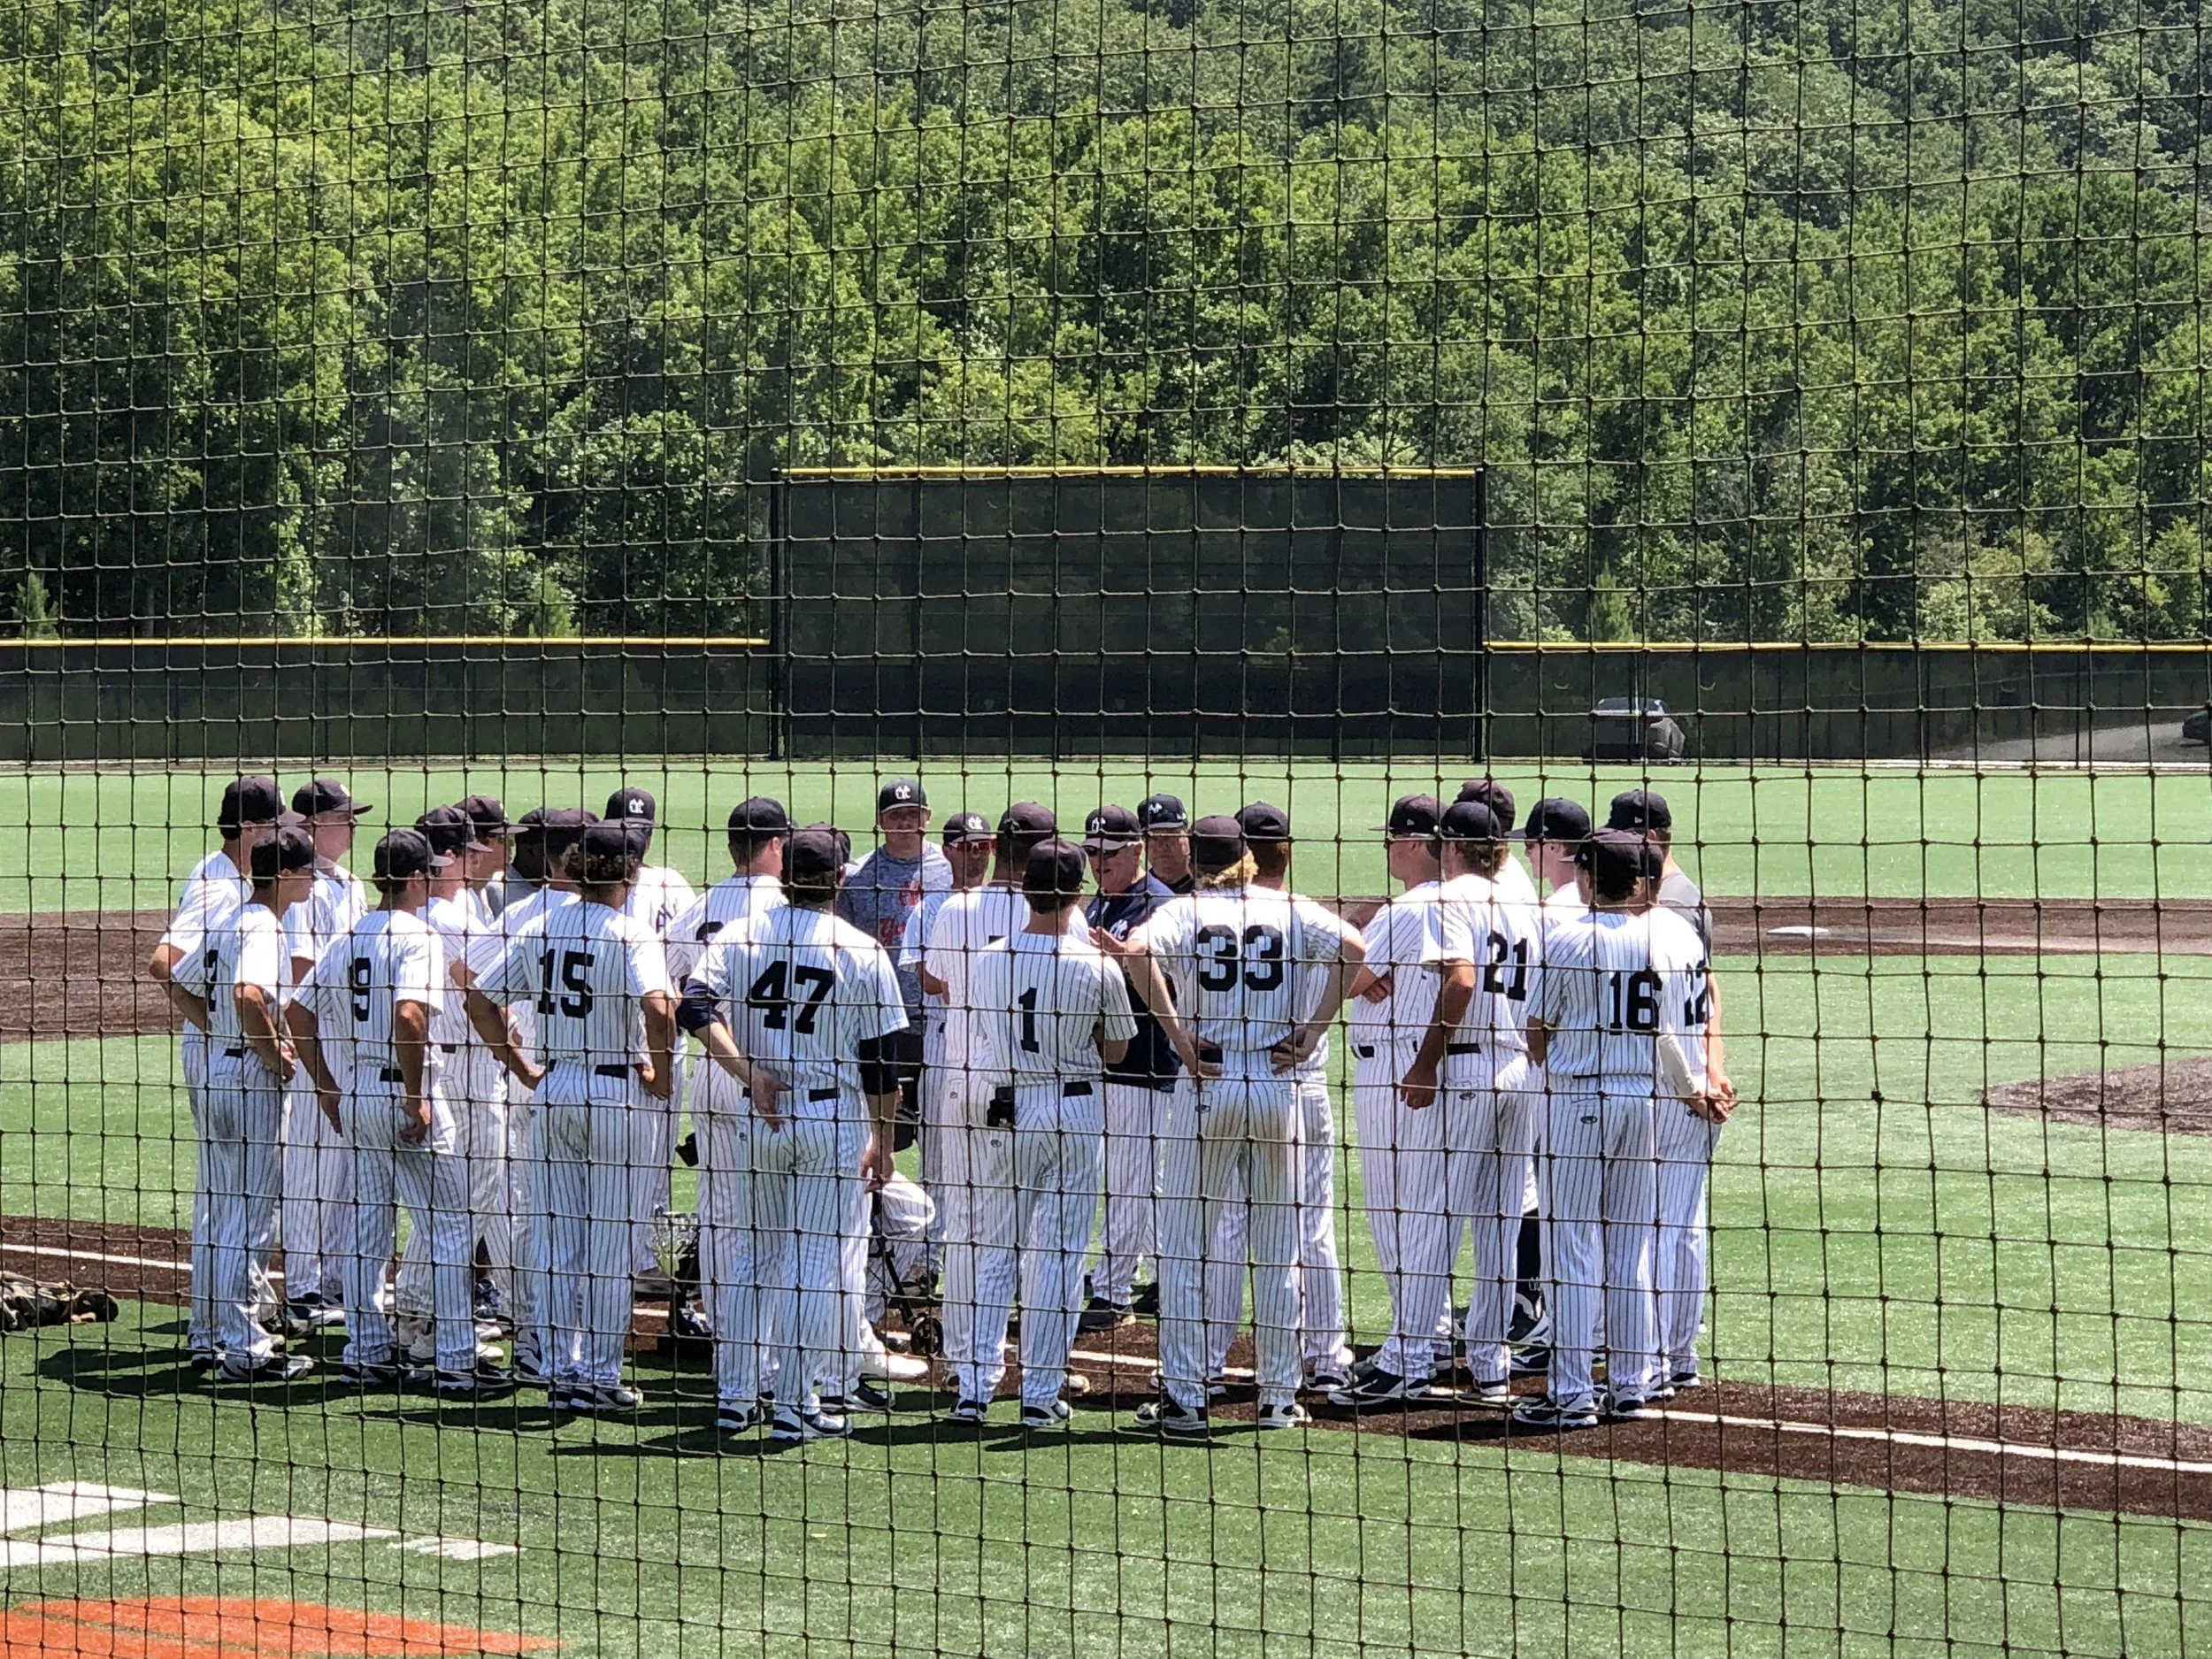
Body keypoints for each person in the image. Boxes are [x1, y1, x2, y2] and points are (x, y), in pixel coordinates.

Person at [1101, 817, 1338, 1434]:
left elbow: (1135, 952)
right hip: (1276, 1084)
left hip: (1207, 1081)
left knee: (1184, 1246)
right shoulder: (1286, 905)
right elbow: (1357, 950)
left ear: (1196, 860)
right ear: (1248, 860)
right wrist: (1313, 1030)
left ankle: (1184, 1397)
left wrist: (1178, 1036)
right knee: (1279, 1248)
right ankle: (1280, 1398)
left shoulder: (1186, 909)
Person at [679, 828, 907, 1444]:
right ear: (839, 879)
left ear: (786, 877)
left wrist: (748, 1074)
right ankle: (792, 1402)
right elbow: (883, 1061)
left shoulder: (743, 932)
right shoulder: (859, 949)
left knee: (755, 1256)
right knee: (813, 1263)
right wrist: (883, 1139)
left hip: (764, 1115)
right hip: (830, 1118)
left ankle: (734, 1397)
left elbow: (693, 1003)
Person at [291, 828, 507, 1394]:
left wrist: (328, 1089)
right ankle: (456, 1363)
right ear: (416, 878)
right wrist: (415, 1096)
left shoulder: (348, 937)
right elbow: (411, 1016)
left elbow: (298, 1013)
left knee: (366, 1232)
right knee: (449, 1225)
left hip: (358, 1091)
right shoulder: (419, 936)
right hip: (404, 1092)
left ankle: (366, 1353)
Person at [472, 820, 677, 1414]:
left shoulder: (541, 925)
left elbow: (481, 1000)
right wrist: (661, 1075)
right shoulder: (630, 932)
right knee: (612, 1245)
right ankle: (603, 1374)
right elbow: (660, 1008)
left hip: (555, 1087)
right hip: (615, 1091)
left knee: (558, 1239)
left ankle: (561, 1369)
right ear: (631, 873)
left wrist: (521, 1066)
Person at [1514, 828, 1713, 1429]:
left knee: (1570, 1247)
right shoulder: (1665, 938)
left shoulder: (1567, 939)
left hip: (1579, 1102)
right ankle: (1629, 1383)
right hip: (1644, 1105)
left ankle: (1571, 1393)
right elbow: (1668, 1034)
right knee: (1631, 1249)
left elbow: (1537, 1031)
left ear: (1589, 877)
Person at [947, 840, 1138, 1428]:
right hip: (1072, 1110)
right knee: (1057, 1255)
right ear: (1079, 894)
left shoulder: (990, 957)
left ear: (1025, 889)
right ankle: (1039, 1391)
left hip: (1005, 1109)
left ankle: (973, 1389)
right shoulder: (1096, 963)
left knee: (997, 1248)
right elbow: (1117, 1048)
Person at [1199, 803, 1364, 1394]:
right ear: (1287, 849)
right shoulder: (1304, 915)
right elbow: (1357, 956)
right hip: (1297, 1088)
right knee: (1311, 1225)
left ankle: (1208, 1363)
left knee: (1224, 1227)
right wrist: (1316, 1029)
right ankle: (1326, 1356)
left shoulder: (1203, 915)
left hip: (1219, 1083)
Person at [921, 803, 1085, 1393]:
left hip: (962, 1081)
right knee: (1048, 1235)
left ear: (998, 849)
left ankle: (966, 1362)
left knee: (968, 1226)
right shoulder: (1066, 919)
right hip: (1038, 1087)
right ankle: (1044, 1370)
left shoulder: (954, 907)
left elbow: (937, 980)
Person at [1394, 797, 1543, 1406]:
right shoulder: (1523, 902)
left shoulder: (1450, 898)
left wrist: (1426, 1059)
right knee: (1501, 1223)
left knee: (1436, 1213)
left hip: (1466, 1067)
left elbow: (1460, 979)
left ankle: (1408, 1357)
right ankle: (1490, 1364)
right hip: (1519, 1067)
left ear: (1450, 847)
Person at [1332, 793, 1471, 1404]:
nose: (1386, 847)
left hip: (1395, 1070)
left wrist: (1360, 932)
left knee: (1396, 1213)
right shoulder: (1450, 903)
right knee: (1420, 1209)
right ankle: (1433, 1332)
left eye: (1391, 839)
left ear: (1416, 843)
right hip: (1427, 1065)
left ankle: (1415, 1342)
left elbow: (1336, 962)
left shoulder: (1412, 907)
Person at [148, 776, 288, 1368]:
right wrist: (214, 1024)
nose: (286, 833)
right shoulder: (216, 884)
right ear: (252, 830)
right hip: (219, 1054)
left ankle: (216, 1323)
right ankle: (220, 1329)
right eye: (276, 825)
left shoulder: (226, 877)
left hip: (221, 1047)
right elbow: (163, 963)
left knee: (224, 1194)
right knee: (231, 1197)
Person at [1605, 788, 1737, 1391]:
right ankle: (1678, 1353)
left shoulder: (1665, 918)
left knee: (1657, 1223)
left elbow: (1661, 1018)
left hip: (1665, 1085)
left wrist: (1697, 1079)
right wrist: (1714, 1070)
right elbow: (1709, 994)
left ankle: (1656, 1354)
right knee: (1682, 1224)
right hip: (1690, 1085)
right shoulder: (1691, 911)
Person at [178, 823, 318, 1383]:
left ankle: (208, 1334)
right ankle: (247, 1350)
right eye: (305, 871)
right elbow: (246, 994)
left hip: (217, 1072)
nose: (311, 880)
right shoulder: (261, 927)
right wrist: (276, 1052)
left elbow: (178, 982)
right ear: (283, 876)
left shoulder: (228, 921)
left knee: (221, 1210)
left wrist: (218, 1035)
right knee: (252, 1217)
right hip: (248, 1080)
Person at [464, 807, 595, 1386]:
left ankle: (536, 1338)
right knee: (584, 1218)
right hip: (598, 1083)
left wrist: (511, 1054)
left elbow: (470, 981)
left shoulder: (519, 913)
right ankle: (562, 1340)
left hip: (530, 1083)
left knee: (528, 1212)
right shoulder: (610, 915)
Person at [389, 805, 511, 1350]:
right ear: (450, 858)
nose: (482, 863)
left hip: (459, 1060)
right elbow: (486, 989)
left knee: (461, 1198)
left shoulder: (449, 910)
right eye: (472, 854)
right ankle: (419, 1307)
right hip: (465, 1064)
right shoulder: (445, 918)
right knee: (468, 1196)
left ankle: (422, 1305)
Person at [1076, 804, 1179, 1330]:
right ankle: (1167, 1273)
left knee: (1129, 1178)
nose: (1098, 863)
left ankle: (1114, 1293)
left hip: (1145, 1059)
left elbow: (1177, 985)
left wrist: (1124, 961)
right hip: (1105, 1060)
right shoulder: (1098, 904)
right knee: (1139, 1176)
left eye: (1109, 854)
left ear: (1136, 851)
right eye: (1091, 853)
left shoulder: (1158, 906)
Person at [279, 778, 373, 1326]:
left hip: (350, 1034)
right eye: (344, 817)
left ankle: (336, 1277)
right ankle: (303, 1287)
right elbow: (297, 968)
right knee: (310, 1163)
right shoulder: (298, 884)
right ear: (312, 826)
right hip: (313, 1031)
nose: (352, 825)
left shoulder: (349, 883)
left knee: (343, 1165)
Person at [603, 785, 699, 1279]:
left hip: (663, 1036)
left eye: (641, 834)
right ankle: (621, 1254)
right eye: (625, 833)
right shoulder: (598, 886)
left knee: (657, 1152)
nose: (635, 844)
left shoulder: (671, 884)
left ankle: (643, 1253)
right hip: (610, 1039)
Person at [897, 810, 994, 1272]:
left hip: (1000, 1044)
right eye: (966, 846)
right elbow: (930, 981)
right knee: (937, 1153)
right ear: (948, 850)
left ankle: (987, 1253)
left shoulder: (1007, 903)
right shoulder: (930, 907)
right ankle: (934, 1256)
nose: (975, 856)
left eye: (983, 846)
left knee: (995, 1158)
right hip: (943, 1040)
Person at [839, 779, 952, 1129]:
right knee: (883, 1130)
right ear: (881, 820)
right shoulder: (858, 875)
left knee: (940, 1128)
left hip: (939, 1017)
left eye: (912, 814)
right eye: (896, 815)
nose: (905, 823)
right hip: (880, 1016)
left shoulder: (949, 868)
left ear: (928, 817)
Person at [457, 795, 515, 920]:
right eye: (505, 839)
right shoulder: (459, 904)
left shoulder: (481, 891)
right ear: (479, 843)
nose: (511, 846)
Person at [1137, 794, 1194, 894]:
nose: (1162, 846)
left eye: (1170, 835)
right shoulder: (1137, 891)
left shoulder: (1205, 886)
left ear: (1187, 835)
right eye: (1152, 837)